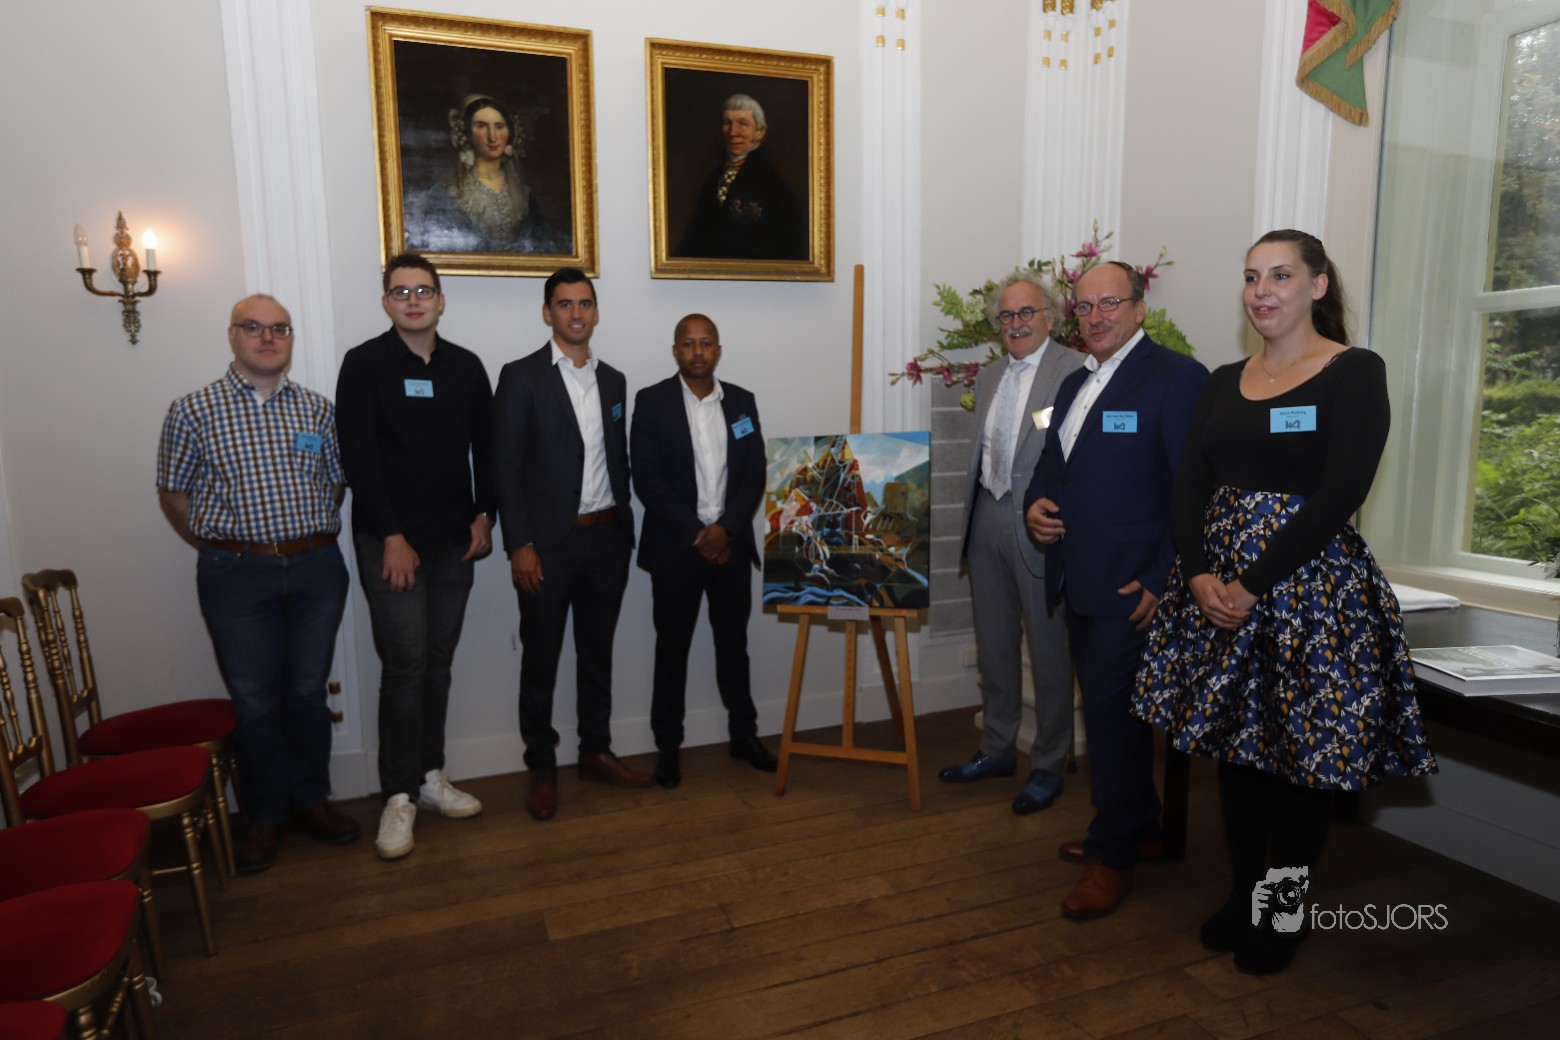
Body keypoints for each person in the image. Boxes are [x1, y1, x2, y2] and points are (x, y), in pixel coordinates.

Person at [1133, 230, 1437, 972]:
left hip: (1309, 590)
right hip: (1215, 590)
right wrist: (1199, 573)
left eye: (1280, 275)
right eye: (1251, 277)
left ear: (1318, 285)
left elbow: (1341, 492)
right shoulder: (1222, 380)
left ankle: (1283, 908)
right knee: (1239, 752)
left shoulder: (1354, 372)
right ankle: (1245, 896)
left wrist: (1250, 582)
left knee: (1303, 758)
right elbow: (1189, 486)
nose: (1261, 291)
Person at [1023, 261, 1208, 920]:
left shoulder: (1177, 377)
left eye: (1110, 303)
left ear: (1139, 309)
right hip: (1077, 578)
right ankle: (1140, 826)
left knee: (1106, 717)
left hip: (1133, 586)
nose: (1096, 316)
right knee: (1113, 718)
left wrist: (1163, 576)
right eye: (1085, 306)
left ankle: (1114, 854)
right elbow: (1054, 468)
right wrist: (1035, 507)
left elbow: (1194, 489)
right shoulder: (1074, 383)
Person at [156, 294, 359, 874]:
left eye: (280, 329)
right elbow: (173, 494)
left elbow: (335, 486)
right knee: (254, 699)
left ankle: (311, 800)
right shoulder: (193, 409)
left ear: (291, 339)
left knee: (307, 692)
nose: (268, 338)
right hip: (236, 575)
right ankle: (265, 816)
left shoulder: (317, 410)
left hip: (316, 568)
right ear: (233, 335)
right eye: (254, 327)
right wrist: (223, 546)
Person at [335, 253, 496, 861]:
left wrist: (485, 514)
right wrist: (392, 535)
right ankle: (398, 794)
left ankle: (430, 776)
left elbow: (488, 447)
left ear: (440, 300)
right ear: (386, 302)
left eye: (423, 290)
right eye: (400, 292)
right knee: (405, 664)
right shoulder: (364, 365)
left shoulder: (466, 366)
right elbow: (358, 457)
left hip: (455, 540)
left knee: (437, 661)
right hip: (391, 542)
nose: (413, 300)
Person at [492, 267, 652, 821]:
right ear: (547, 313)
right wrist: (519, 543)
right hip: (547, 547)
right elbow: (505, 467)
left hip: (606, 539)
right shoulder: (520, 377)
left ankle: (595, 752)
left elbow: (616, 457)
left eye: (585, 303)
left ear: (596, 312)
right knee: (540, 658)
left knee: (597, 653)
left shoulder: (615, 381)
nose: (576, 313)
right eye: (564, 304)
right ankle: (541, 765)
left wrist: (625, 529)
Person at [939, 270, 1083, 814]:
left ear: (1050, 317)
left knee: (1048, 652)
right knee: (995, 644)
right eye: (1006, 315)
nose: (1016, 323)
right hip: (987, 518)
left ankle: (1048, 762)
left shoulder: (1075, 370)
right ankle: (997, 747)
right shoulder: (989, 375)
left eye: (1026, 312)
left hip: (1040, 525)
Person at [630, 314, 777, 789]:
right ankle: (668, 747)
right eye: (689, 344)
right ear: (676, 350)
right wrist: (699, 534)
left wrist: (725, 530)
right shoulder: (651, 401)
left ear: (718, 350)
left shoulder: (741, 401)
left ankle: (744, 736)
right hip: (677, 549)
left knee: (733, 646)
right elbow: (646, 478)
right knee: (672, 649)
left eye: (706, 343)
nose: (698, 352)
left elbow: (755, 471)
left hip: (730, 547)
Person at [405, 93, 567, 256]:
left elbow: (545, 250)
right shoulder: (445, 193)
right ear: (467, 133)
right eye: (481, 126)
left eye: (499, 127)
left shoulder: (526, 196)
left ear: (510, 133)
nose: (492, 137)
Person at [675, 94, 807, 261]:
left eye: (742, 124)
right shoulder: (712, 180)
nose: (733, 132)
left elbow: (788, 251)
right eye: (727, 123)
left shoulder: (775, 187)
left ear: (759, 132)